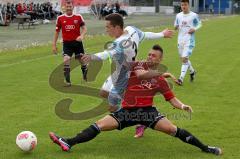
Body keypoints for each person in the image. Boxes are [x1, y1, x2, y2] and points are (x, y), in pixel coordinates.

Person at [49, 44, 222, 156]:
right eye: (148, 54)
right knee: (99, 125)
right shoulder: (137, 65)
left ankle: (206, 148)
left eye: (154, 56)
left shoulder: (160, 81)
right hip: (128, 112)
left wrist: (183, 106)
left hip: (148, 113)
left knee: (174, 130)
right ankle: (68, 142)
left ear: (160, 59)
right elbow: (139, 73)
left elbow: (172, 99)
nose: (149, 57)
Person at [81, 13, 173, 113]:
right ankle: (135, 104)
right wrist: (162, 34)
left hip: (125, 75)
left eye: (108, 27)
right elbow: (145, 35)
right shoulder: (132, 30)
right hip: (120, 70)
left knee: (113, 107)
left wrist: (91, 57)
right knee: (103, 93)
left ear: (116, 27)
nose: (106, 30)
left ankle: (139, 113)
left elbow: (107, 54)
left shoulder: (119, 43)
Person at [52, 0, 87, 86]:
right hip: (67, 44)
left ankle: (85, 72)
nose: (68, 8)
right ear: (64, 7)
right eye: (67, 6)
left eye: (70, 6)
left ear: (73, 7)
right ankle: (68, 82)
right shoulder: (60, 18)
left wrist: (81, 36)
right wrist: (54, 45)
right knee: (66, 60)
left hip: (77, 43)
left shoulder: (78, 17)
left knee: (81, 60)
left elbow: (84, 29)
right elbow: (57, 32)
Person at [174, 0, 202, 85]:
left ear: (188, 5)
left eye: (185, 5)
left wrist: (194, 29)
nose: (183, 6)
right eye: (182, 5)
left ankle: (180, 79)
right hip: (180, 40)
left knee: (184, 59)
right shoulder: (178, 15)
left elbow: (200, 24)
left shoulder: (193, 15)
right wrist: (175, 27)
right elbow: (176, 25)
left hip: (189, 40)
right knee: (184, 59)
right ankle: (192, 72)